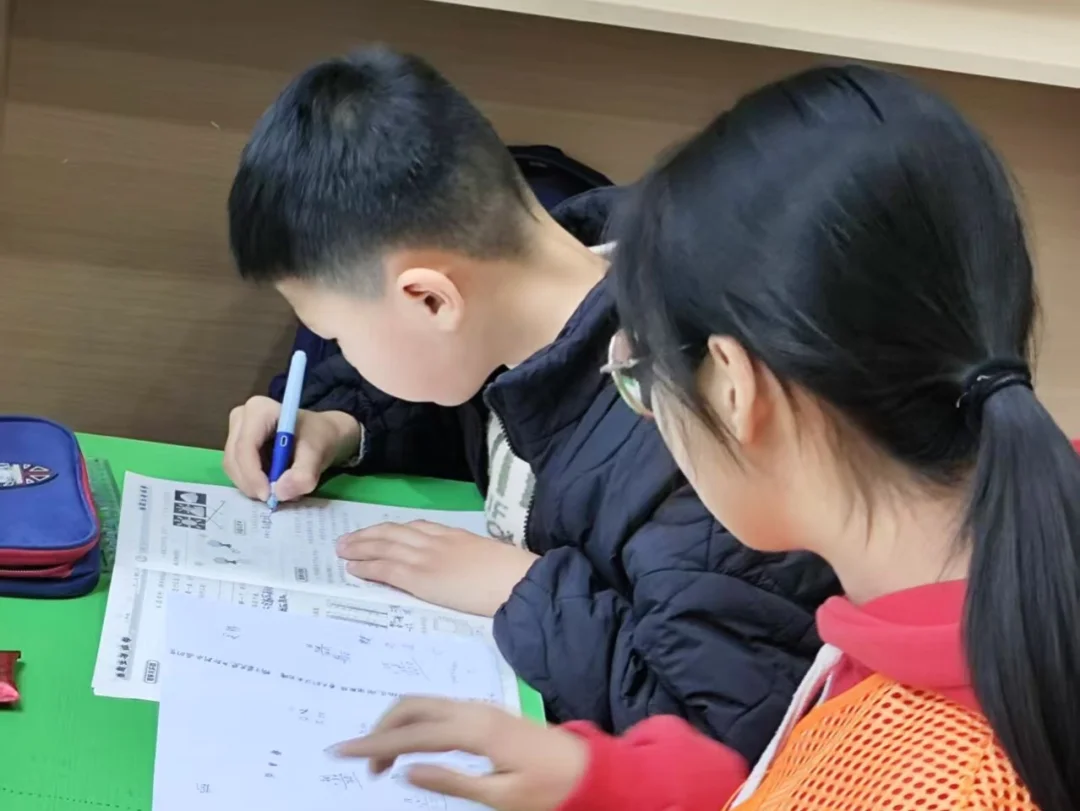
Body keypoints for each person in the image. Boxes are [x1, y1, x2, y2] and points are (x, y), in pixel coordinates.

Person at [330, 64, 1080, 811]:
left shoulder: (945, 779)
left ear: (735, 389)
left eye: (640, 375)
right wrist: (611, 782)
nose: (646, 413)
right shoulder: (990, 592)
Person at [222, 45, 838, 757]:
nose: (343, 355)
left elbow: (723, 742)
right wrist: (342, 425)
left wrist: (525, 589)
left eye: (338, 335)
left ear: (429, 299)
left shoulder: (693, 440)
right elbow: (485, 407)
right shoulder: (547, 281)